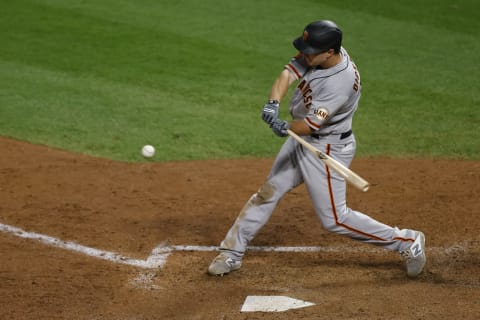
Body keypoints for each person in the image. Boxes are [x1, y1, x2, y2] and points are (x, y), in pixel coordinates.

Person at [207, 20, 426, 278]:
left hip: (327, 147)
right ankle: (232, 252)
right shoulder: (320, 55)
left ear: (330, 52)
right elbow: (289, 73)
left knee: (335, 219)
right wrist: (272, 104)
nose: (305, 55)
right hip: (304, 140)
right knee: (268, 192)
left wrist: (285, 126)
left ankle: (406, 241)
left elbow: (311, 125)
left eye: (310, 51)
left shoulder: (339, 83)